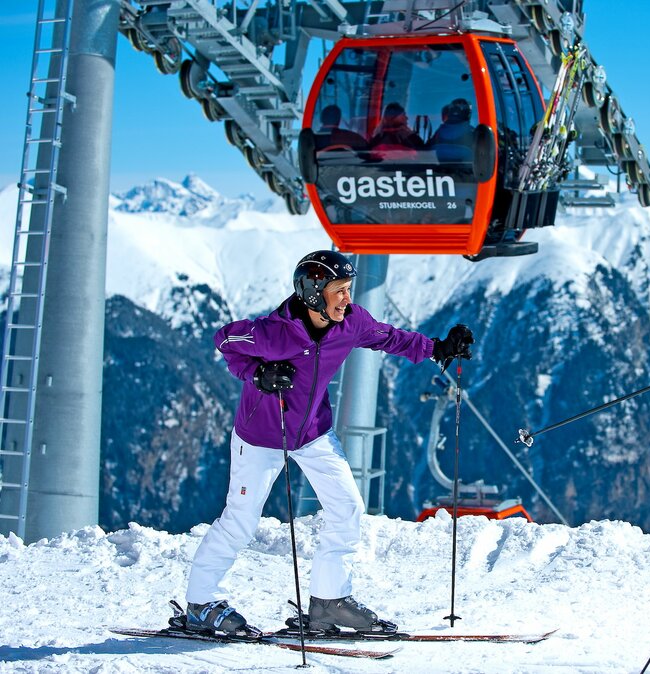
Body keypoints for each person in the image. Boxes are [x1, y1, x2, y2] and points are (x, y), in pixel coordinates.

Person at [184, 250, 474, 635]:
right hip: (260, 437)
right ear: (312, 293)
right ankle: (201, 603)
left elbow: (390, 337)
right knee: (241, 520)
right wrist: (258, 374)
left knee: (347, 508)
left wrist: (438, 348)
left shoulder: (350, 323)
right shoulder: (273, 332)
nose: (347, 299)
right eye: (339, 291)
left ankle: (328, 601)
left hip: (314, 432)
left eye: (348, 289)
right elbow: (225, 341)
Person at [428, 98, 475, 163]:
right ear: (468, 114)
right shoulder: (473, 132)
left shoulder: (438, 132)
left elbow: (426, 150)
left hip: (436, 171)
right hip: (467, 172)